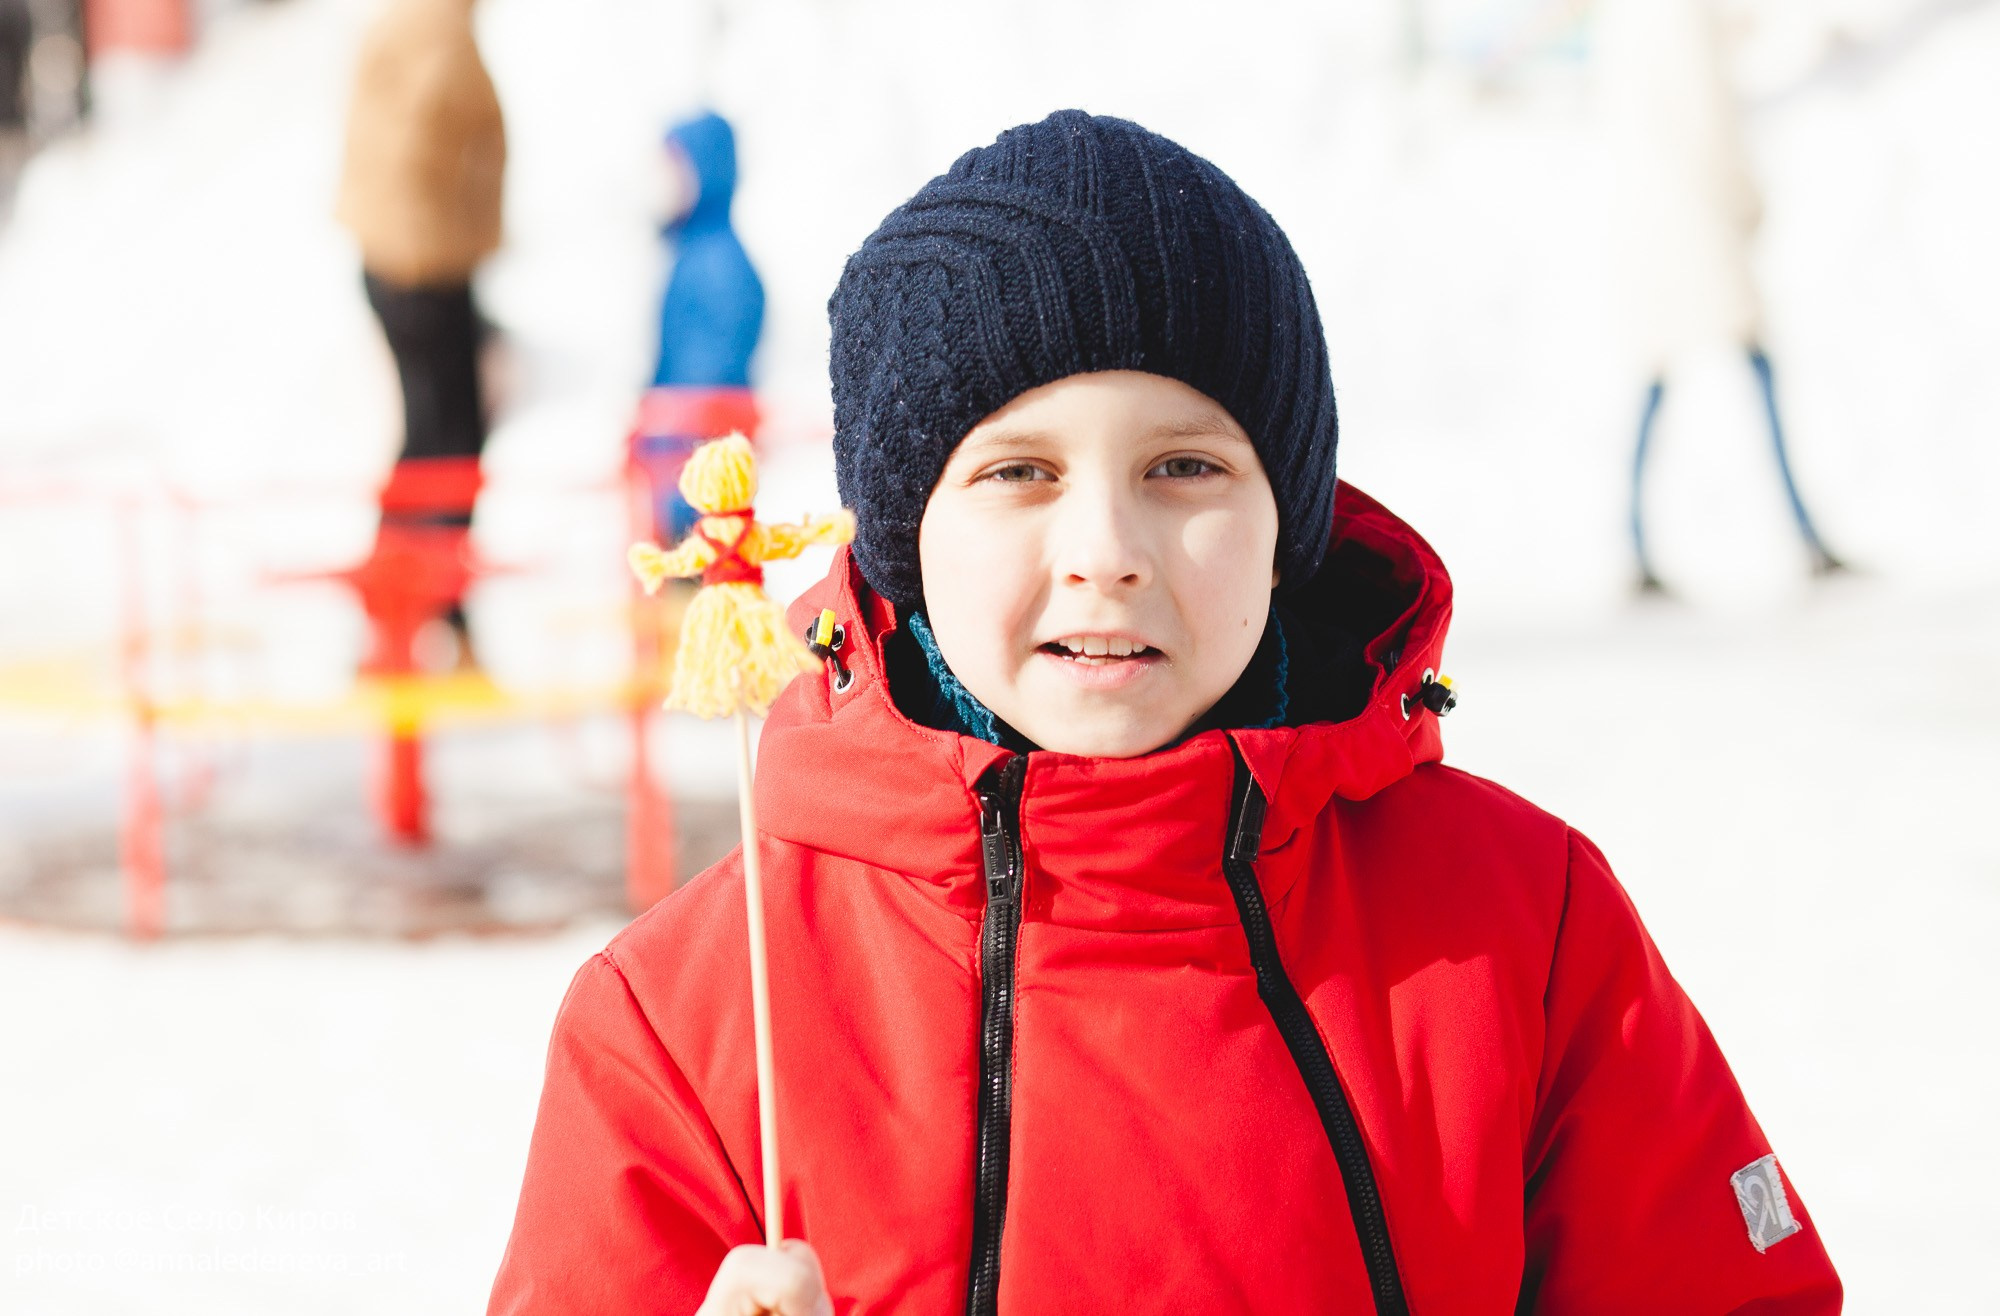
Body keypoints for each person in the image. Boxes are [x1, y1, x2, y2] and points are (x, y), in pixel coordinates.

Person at [489, 112, 1842, 1314]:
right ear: (905, 538)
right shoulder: (700, 1014)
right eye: (1018, 471)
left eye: (1185, 465)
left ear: (1284, 525)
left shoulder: (1514, 927)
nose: (1107, 549)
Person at [1599, 0, 1844, 592]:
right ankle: (1805, 534)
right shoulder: (1683, 17)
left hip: (1649, 220)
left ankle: (1635, 542)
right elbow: (1710, 124)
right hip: (1697, 221)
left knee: (1660, 376)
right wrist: (1746, 201)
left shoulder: (1626, 19)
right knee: (1752, 363)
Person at [336, 0, 505, 661]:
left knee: (434, 432)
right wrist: (446, 207)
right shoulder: (437, 29)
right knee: (449, 439)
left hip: (403, 252)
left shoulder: (408, 20)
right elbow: (421, 134)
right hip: (423, 260)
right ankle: (425, 606)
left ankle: (414, 607)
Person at [632, 110, 766, 543]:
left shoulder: (718, 266)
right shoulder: (690, 256)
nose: (664, 182)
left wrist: (679, 488)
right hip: (672, 475)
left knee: (700, 596)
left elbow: (709, 387)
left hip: (693, 485)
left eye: (676, 168)